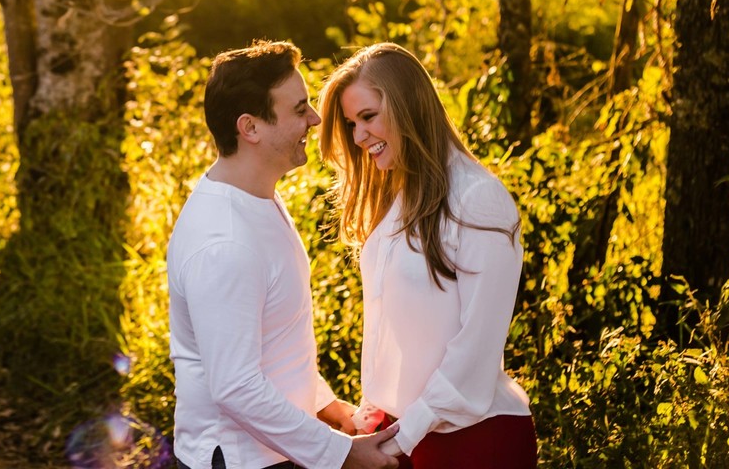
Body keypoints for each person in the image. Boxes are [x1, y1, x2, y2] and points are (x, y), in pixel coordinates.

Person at [168, 39, 400, 469]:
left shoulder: (256, 202)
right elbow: (236, 386)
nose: (314, 119)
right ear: (250, 127)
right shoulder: (224, 241)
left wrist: (331, 409)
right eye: (299, 109)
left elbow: (276, 345)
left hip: (278, 453)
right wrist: (341, 454)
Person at [316, 42, 536, 469]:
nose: (359, 137)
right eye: (351, 123)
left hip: (472, 440)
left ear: (408, 105)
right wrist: (375, 411)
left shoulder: (477, 198)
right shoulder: (396, 201)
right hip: (405, 437)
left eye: (368, 117)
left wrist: (402, 436)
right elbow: (396, 336)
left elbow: (476, 349)